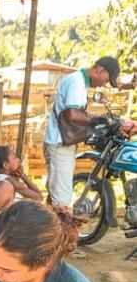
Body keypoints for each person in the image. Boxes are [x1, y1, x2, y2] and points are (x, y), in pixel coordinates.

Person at [44, 56, 136, 206]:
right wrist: (101, 121)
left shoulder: (80, 82)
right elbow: (73, 114)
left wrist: (100, 117)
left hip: (61, 144)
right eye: (106, 80)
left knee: (55, 196)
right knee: (62, 202)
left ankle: (52, 228)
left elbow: (79, 113)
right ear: (100, 70)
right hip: (59, 145)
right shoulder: (76, 82)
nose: (103, 85)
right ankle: (63, 229)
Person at [0, 145, 43, 210]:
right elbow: (39, 197)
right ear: (6, 165)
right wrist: (23, 175)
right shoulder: (9, 181)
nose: (18, 160)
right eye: (15, 158)